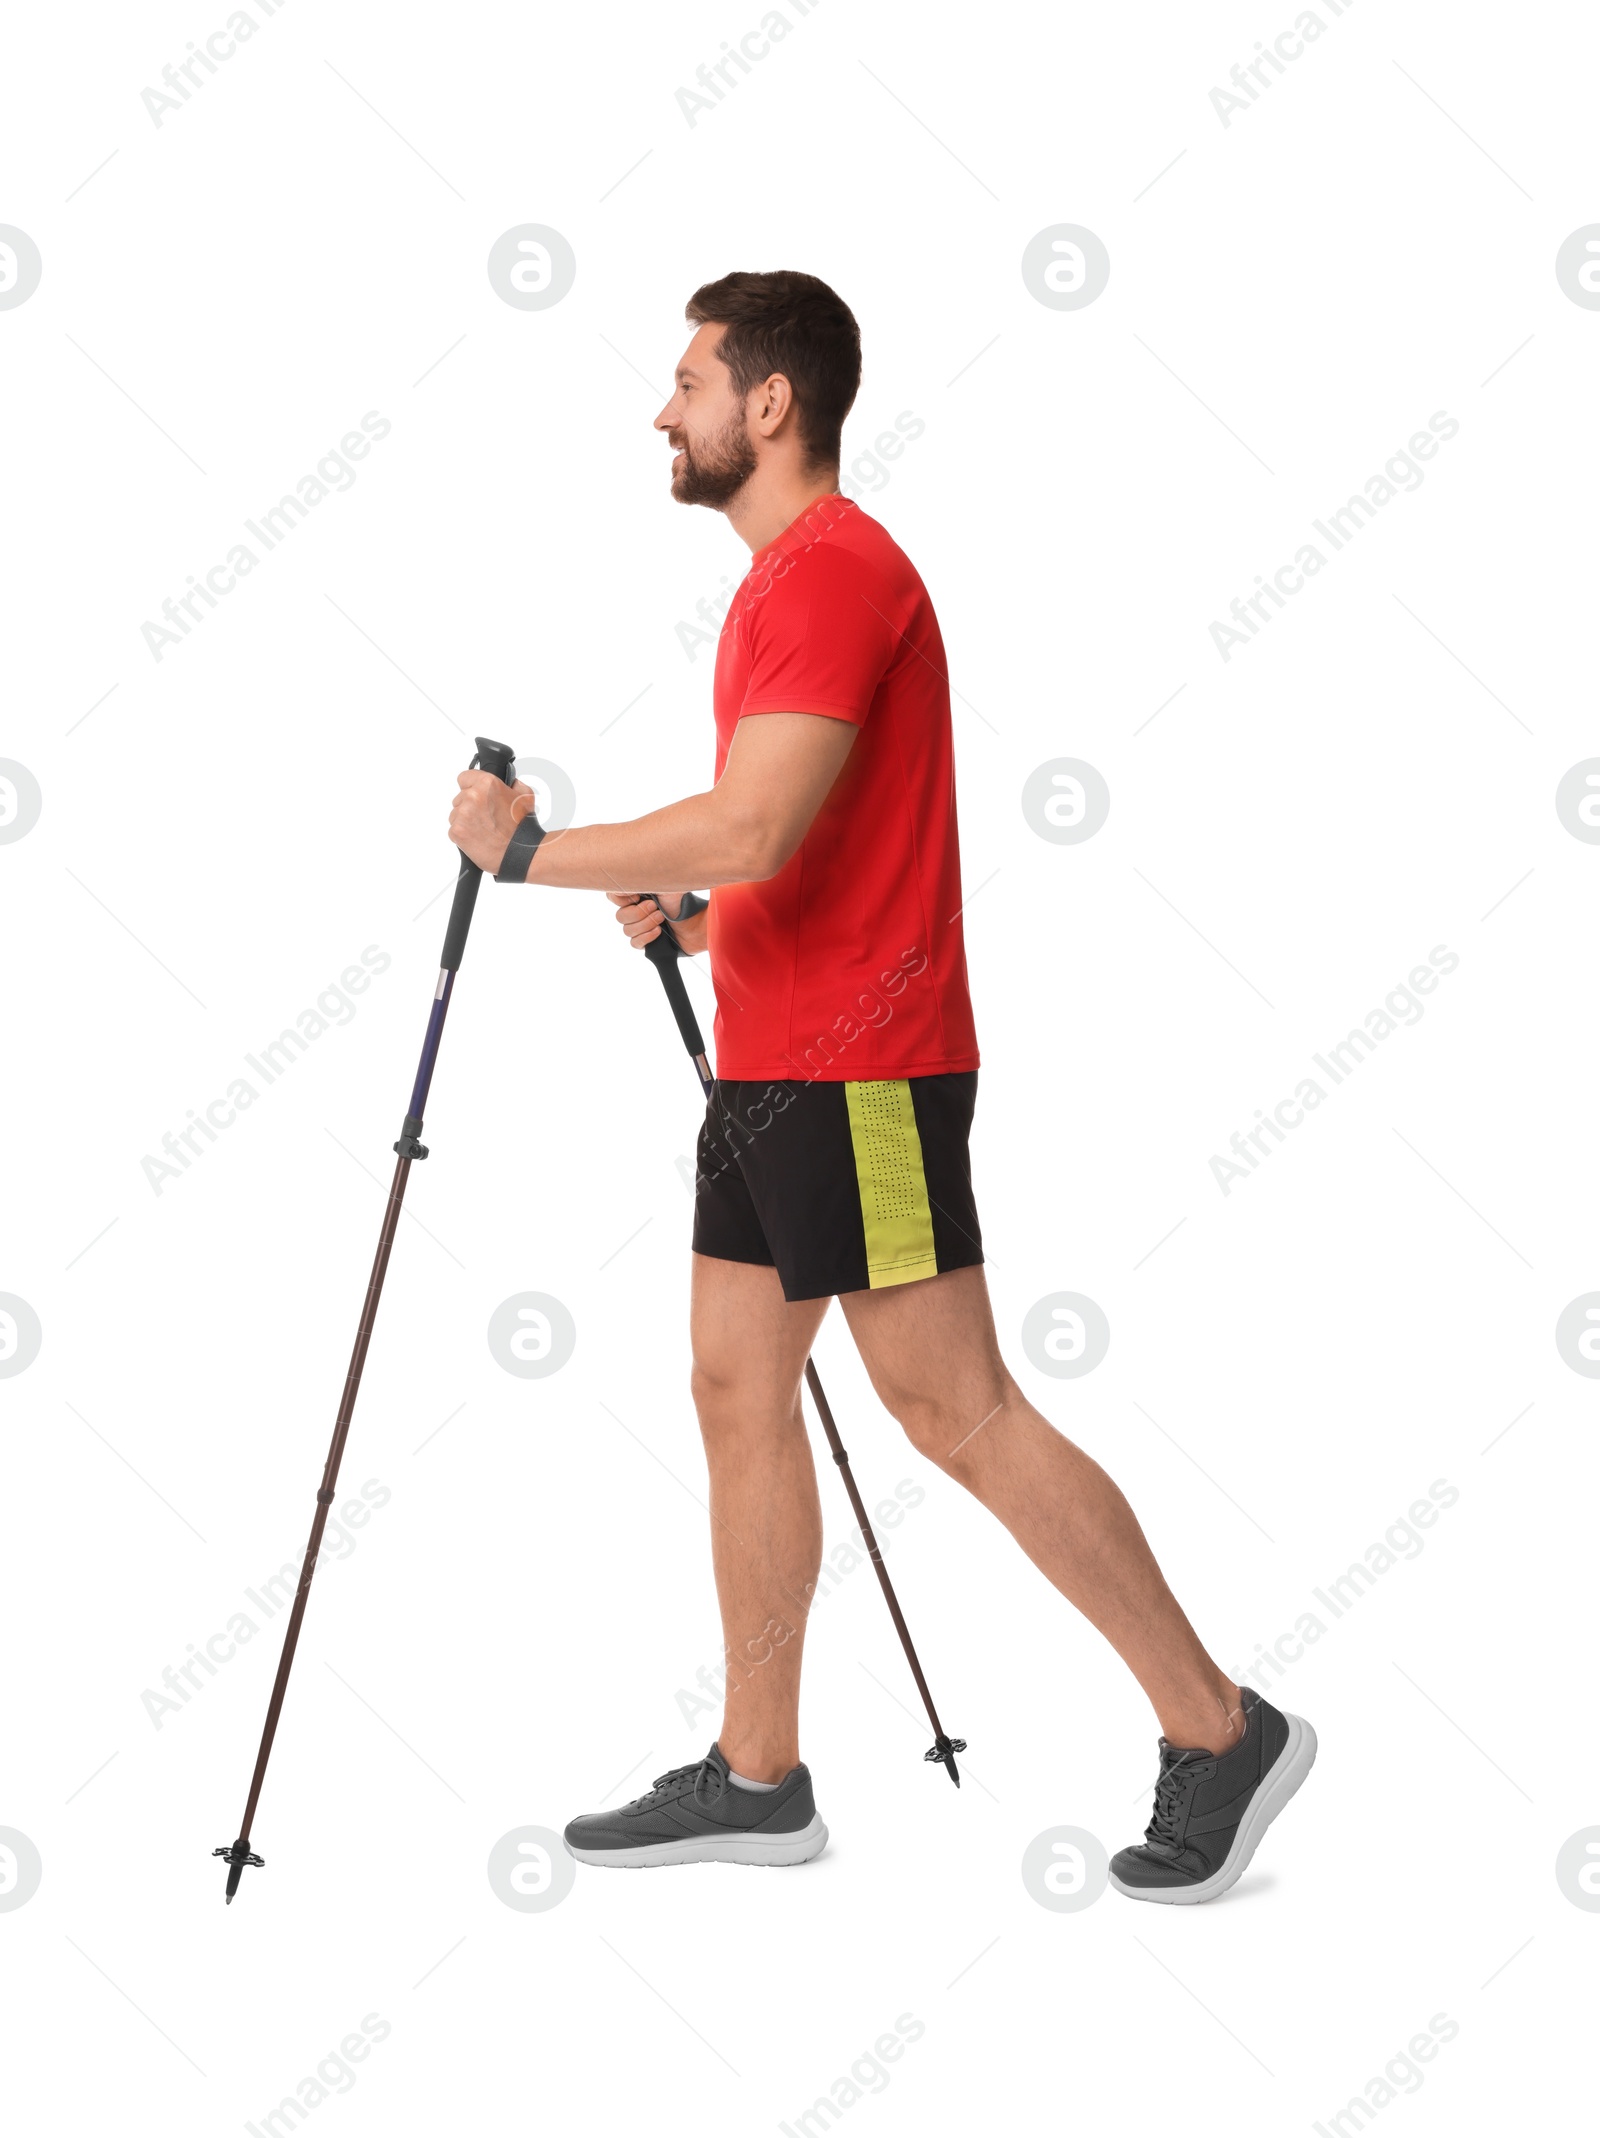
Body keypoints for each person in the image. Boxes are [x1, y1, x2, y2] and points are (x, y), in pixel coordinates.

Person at [448, 269, 1316, 1903]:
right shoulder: (787, 581)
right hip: (778, 1055)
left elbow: (756, 822)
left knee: (953, 1407)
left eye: (692, 378)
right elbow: (794, 846)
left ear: (770, 403)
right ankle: (759, 1770)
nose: (667, 408)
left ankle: (1218, 1725)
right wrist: (706, 921)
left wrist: (538, 855)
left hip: (869, 1071)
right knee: (732, 1385)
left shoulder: (836, 575)